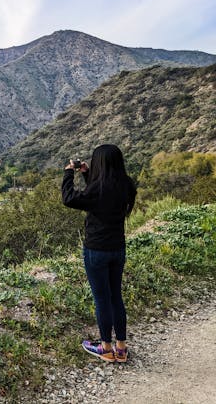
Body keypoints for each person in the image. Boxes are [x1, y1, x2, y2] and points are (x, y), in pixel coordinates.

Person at [61, 144, 136, 363]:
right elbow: (101, 194)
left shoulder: (98, 188)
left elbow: (70, 198)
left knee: (101, 299)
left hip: (96, 250)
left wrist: (69, 172)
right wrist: (86, 174)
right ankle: (121, 349)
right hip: (117, 249)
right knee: (116, 297)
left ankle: (105, 348)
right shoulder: (126, 185)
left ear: (99, 163)